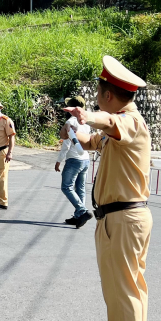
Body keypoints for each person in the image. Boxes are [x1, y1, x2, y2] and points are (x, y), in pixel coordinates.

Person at [64, 55, 151, 321]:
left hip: (124, 219)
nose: (97, 95)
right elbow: (92, 140)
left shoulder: (129, 122)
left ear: (108, 96)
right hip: (118, 219)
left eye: (99, 91)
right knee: (122, 292)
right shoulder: (118, 127)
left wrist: (90, 116)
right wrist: (76, 127)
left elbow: (110, 125)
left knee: (125, 292)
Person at [55, 95, 92, 229]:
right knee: (80, 188)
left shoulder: (70, 122)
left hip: (74, 159)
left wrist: (59, 161)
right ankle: (78, 216)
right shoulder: (86, 122)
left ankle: (82, 211)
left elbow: (66, 145)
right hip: (85, 159)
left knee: (66, 187)